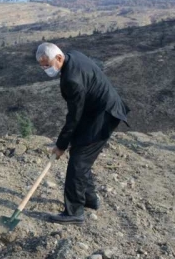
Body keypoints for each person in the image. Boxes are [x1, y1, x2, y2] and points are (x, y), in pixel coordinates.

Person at [35, 42, 130, 225]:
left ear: (59, 58)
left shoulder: (71, 80)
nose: (45, 69)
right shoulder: (73, 55)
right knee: (80, 152)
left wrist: (61, 145)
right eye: (42, 65)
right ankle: (90, 200)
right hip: (95, 111)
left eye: (47, 64)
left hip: (104, 115)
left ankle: (75, 212)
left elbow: (74, 117)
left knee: (78, 162)